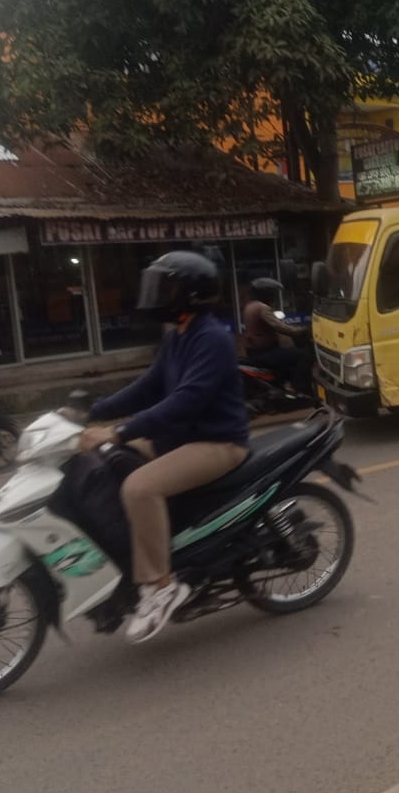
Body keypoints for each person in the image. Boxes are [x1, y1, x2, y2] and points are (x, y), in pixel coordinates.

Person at [79, 251, 250, 643]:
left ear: (190, 294)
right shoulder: (179, 335)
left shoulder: (212, 339)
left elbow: (185, 401)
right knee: (104, 463)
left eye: (166, 287)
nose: (157, 294)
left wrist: (118, 431)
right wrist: (93, 410)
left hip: (217, 442)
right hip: (181, 438)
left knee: (139, 487)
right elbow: (149, 386)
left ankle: (161, 585)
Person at [242, 277, 314, 393]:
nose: (274, 296)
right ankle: (302, 391)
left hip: (254, 351)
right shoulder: (262, 308)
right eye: (272, 293)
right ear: (265, 293)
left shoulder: (249, 306)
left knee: (288, 354)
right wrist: (301, 331)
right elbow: (279, 326)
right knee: (302, 356)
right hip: (264, 353)